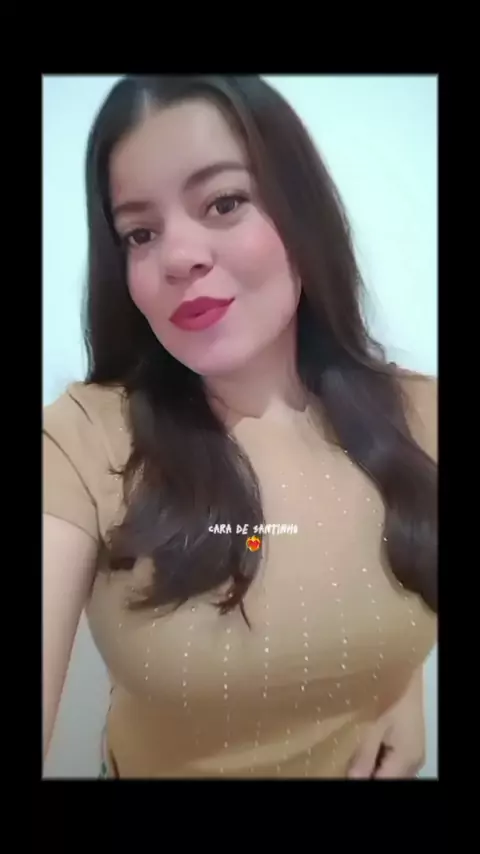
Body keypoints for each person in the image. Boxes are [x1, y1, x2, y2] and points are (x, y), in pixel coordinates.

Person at [42, 74, 437, 779]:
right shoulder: (83, 440)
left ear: (301, 214)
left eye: (224, 202)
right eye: (140, 232)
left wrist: (398, 684)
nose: (177, 256)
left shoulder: (420, 416)